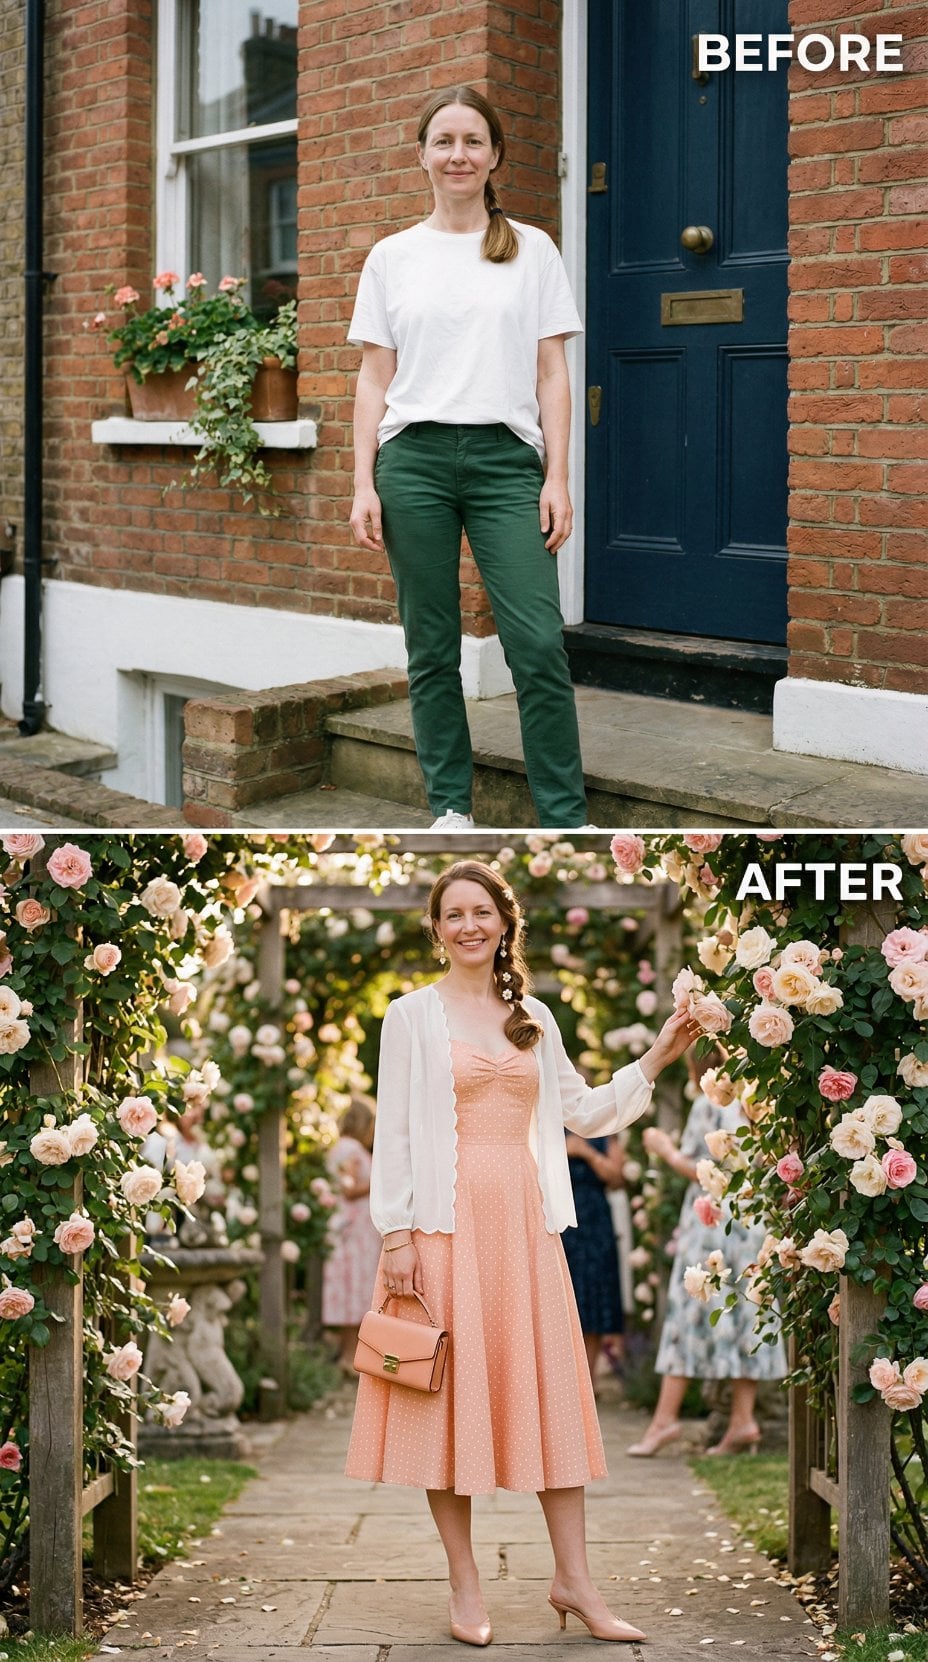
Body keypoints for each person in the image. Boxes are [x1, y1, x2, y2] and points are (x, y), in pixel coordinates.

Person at [345, 860, 698, 1646]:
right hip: (441, 1226)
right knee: (446, 1405)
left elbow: (584, 1110)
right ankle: (465, 1586)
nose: (468, 925)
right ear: (436, 930)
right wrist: (396, 1234)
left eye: (482, 912)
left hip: (526, 1230)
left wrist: (661, 1056)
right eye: (453, 914)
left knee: (551, 1399)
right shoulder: (409, 1016)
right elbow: (394, 1134)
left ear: (505, 923)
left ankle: (574, 1579)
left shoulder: (532, 1015)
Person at [347, 86, 590, 832]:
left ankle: (562, 815)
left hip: (505, 462)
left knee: (538, 642)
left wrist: (557, 475)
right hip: (412, 461)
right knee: (431, 647)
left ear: (495, 158)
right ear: (420, 155)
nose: (459, 154)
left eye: (473, 141)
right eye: (444, 141)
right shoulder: (392, 257)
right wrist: (362, 482)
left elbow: (553, 371)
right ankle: (450, 807)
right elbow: (373, 378)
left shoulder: (532, 249)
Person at [627, 1050, 787, 1458]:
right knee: (747, 1312)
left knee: (688, 1310)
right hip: (750, 1222)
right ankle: (742, 1420)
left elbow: (702, 1168)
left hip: (712, 1221)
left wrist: (663, 1148)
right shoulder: (753, 1103)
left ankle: (665, 1421)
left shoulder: (708, 1103)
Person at [322, 1096, 382, 1375]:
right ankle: (350, 1358)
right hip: (355, 1232)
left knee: (351, 1290)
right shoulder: (352, 1150)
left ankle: (351, 1357)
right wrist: (380, 1180)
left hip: (349, 1228)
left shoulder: (340, 1148)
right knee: (356, 1288)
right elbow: (348, 1188)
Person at [562, 1131, 625, 1390]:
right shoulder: (549, 1125)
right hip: (561, 1220)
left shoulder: (603, 1130)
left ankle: (587, 1382)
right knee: (565, 1297)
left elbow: (617, 1178)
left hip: (595, 1221)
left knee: (595, 1298)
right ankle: (562, 1383)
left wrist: (586, 1152)